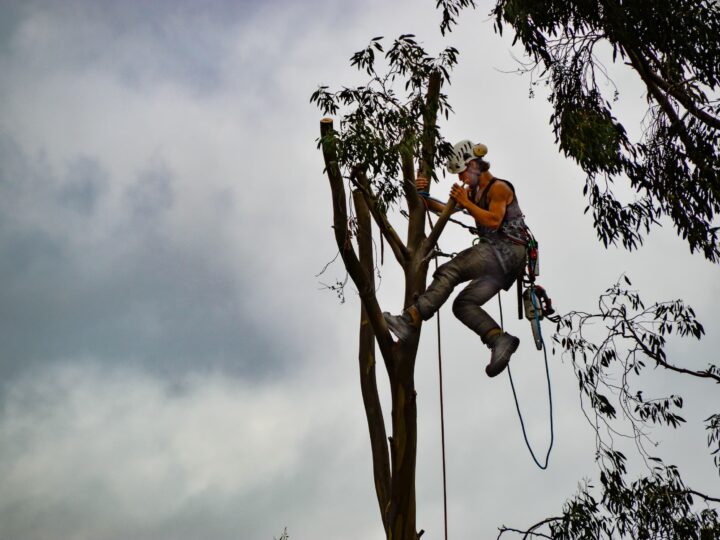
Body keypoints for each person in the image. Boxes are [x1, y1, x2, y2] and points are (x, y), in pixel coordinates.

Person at [383, 140, 531, 377]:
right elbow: (444, 209)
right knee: (463, 305)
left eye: (462, 171)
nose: (462, 178)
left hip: (506, 250)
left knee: (451, 270)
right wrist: (420, 194)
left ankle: (410, 319)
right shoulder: (473, 193)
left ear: (473, 165)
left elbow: (493, 220)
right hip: (501, 265)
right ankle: (498, 339)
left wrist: (464, 202)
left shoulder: (499, 188)